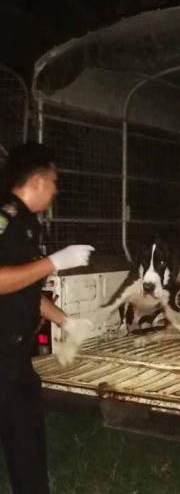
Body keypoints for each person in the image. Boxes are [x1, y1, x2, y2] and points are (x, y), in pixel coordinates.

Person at [0, 142, 95, 493]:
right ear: (38, 180)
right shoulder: (5, 217)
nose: (56, 189)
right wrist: (54, 262)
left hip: (13, 357)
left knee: (27, 433)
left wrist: (65, 321)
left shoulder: (27, 224)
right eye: (54, 181)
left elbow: (22, 284)